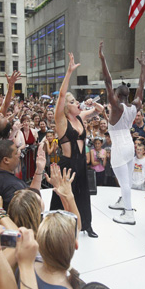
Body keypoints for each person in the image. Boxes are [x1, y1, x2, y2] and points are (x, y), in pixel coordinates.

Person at [49, 52, 103, 238]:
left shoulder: (80, 116)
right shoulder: (61, 121)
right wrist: (69, 72)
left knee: (84, 195)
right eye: (72, 102)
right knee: (62, 196)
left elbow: (98, 111)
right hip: (68, 164)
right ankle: (55, 225)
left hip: (81, 164)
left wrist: (92, 103)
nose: (76, 103)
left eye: (76, 101)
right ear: (66, 107)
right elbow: (62, 94)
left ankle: (87, 225)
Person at [99, 41, 145, 225]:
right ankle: (122, 201)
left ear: (117, 95)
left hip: (120, 147)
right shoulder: (135, 105)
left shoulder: (117, 107)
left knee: (125, 182)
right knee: (125, 180)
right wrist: (143, 67)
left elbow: (107, 81)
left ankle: (129, 213)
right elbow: (142, 86)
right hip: (129, 145)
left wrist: (103, 60)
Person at [0, 140, 45, 210]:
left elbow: (31, 193)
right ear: (6, 160)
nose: (19, 154)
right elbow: (32, 206)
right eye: (15, 153)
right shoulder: (13, 186)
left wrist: (39, 170)